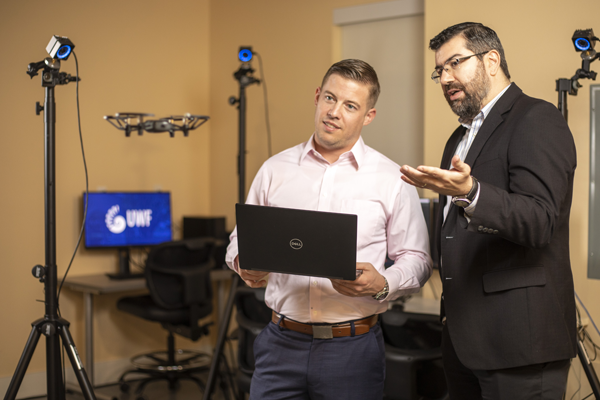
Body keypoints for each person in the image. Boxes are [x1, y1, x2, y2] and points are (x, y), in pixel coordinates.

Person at [226, 59, 432, 400]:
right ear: (318, 96)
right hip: (279, 343)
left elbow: (417, 259)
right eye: (330, 99)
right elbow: (239, 240)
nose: (335, 112)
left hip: (353, 349)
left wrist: (382, 284)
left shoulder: (392, 178)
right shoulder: (274, 170)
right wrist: (242, 262)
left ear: (368, 116)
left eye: (350, 105)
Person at [400, 22, 577, 399]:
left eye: (455, 63)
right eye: (439, 70)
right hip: (464, 343)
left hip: (519, 345)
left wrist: (471, 192)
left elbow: (540, 220)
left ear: (492, 60)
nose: (445, 77)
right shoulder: (459, 137)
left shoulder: (537, 119)